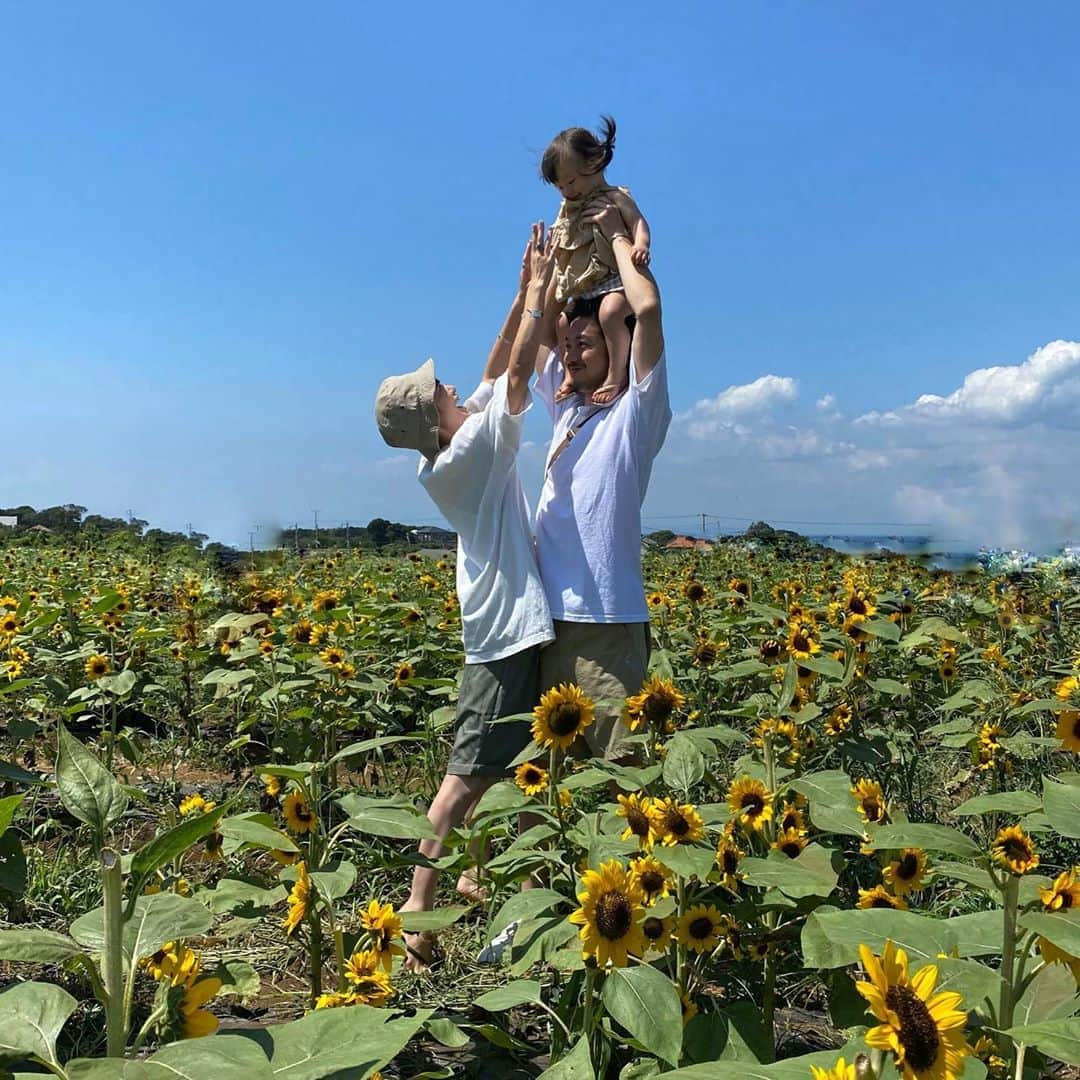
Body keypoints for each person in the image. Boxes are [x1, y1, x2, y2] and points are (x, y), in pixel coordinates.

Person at [373, 224, 557, 970]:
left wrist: (520, 295)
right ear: (432, 418)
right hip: (505, 634)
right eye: (437, 390)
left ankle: (476, 887)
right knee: (464, 780)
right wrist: (543, 290)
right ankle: (417, 916)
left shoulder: (451, 447)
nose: (450, 385)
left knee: (495, 779)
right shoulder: (470, 455)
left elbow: (492, 368)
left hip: (503, 628)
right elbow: (515, 378)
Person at [532, 197, 671, 763]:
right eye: (569, 347)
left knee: (623, 775)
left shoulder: (634, 413)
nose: (570, 354)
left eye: (583, 344)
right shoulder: (566, 408)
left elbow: (649, 311)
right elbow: (539, 338)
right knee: (552, 776)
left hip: (607, 620)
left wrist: (618, 237)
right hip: (548, 619)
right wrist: (546, 279)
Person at [541, 116, 652, 406]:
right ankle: (568, 374)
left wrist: (640, 244)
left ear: (595, 164)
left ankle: (616, 374)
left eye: (571, 181)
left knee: (611, 311)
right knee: (563, 322)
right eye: (560, 186)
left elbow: (638, 222)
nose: (567, 191)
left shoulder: (614, 197)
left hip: (615, 282)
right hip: (583, 287)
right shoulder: (568, 208)